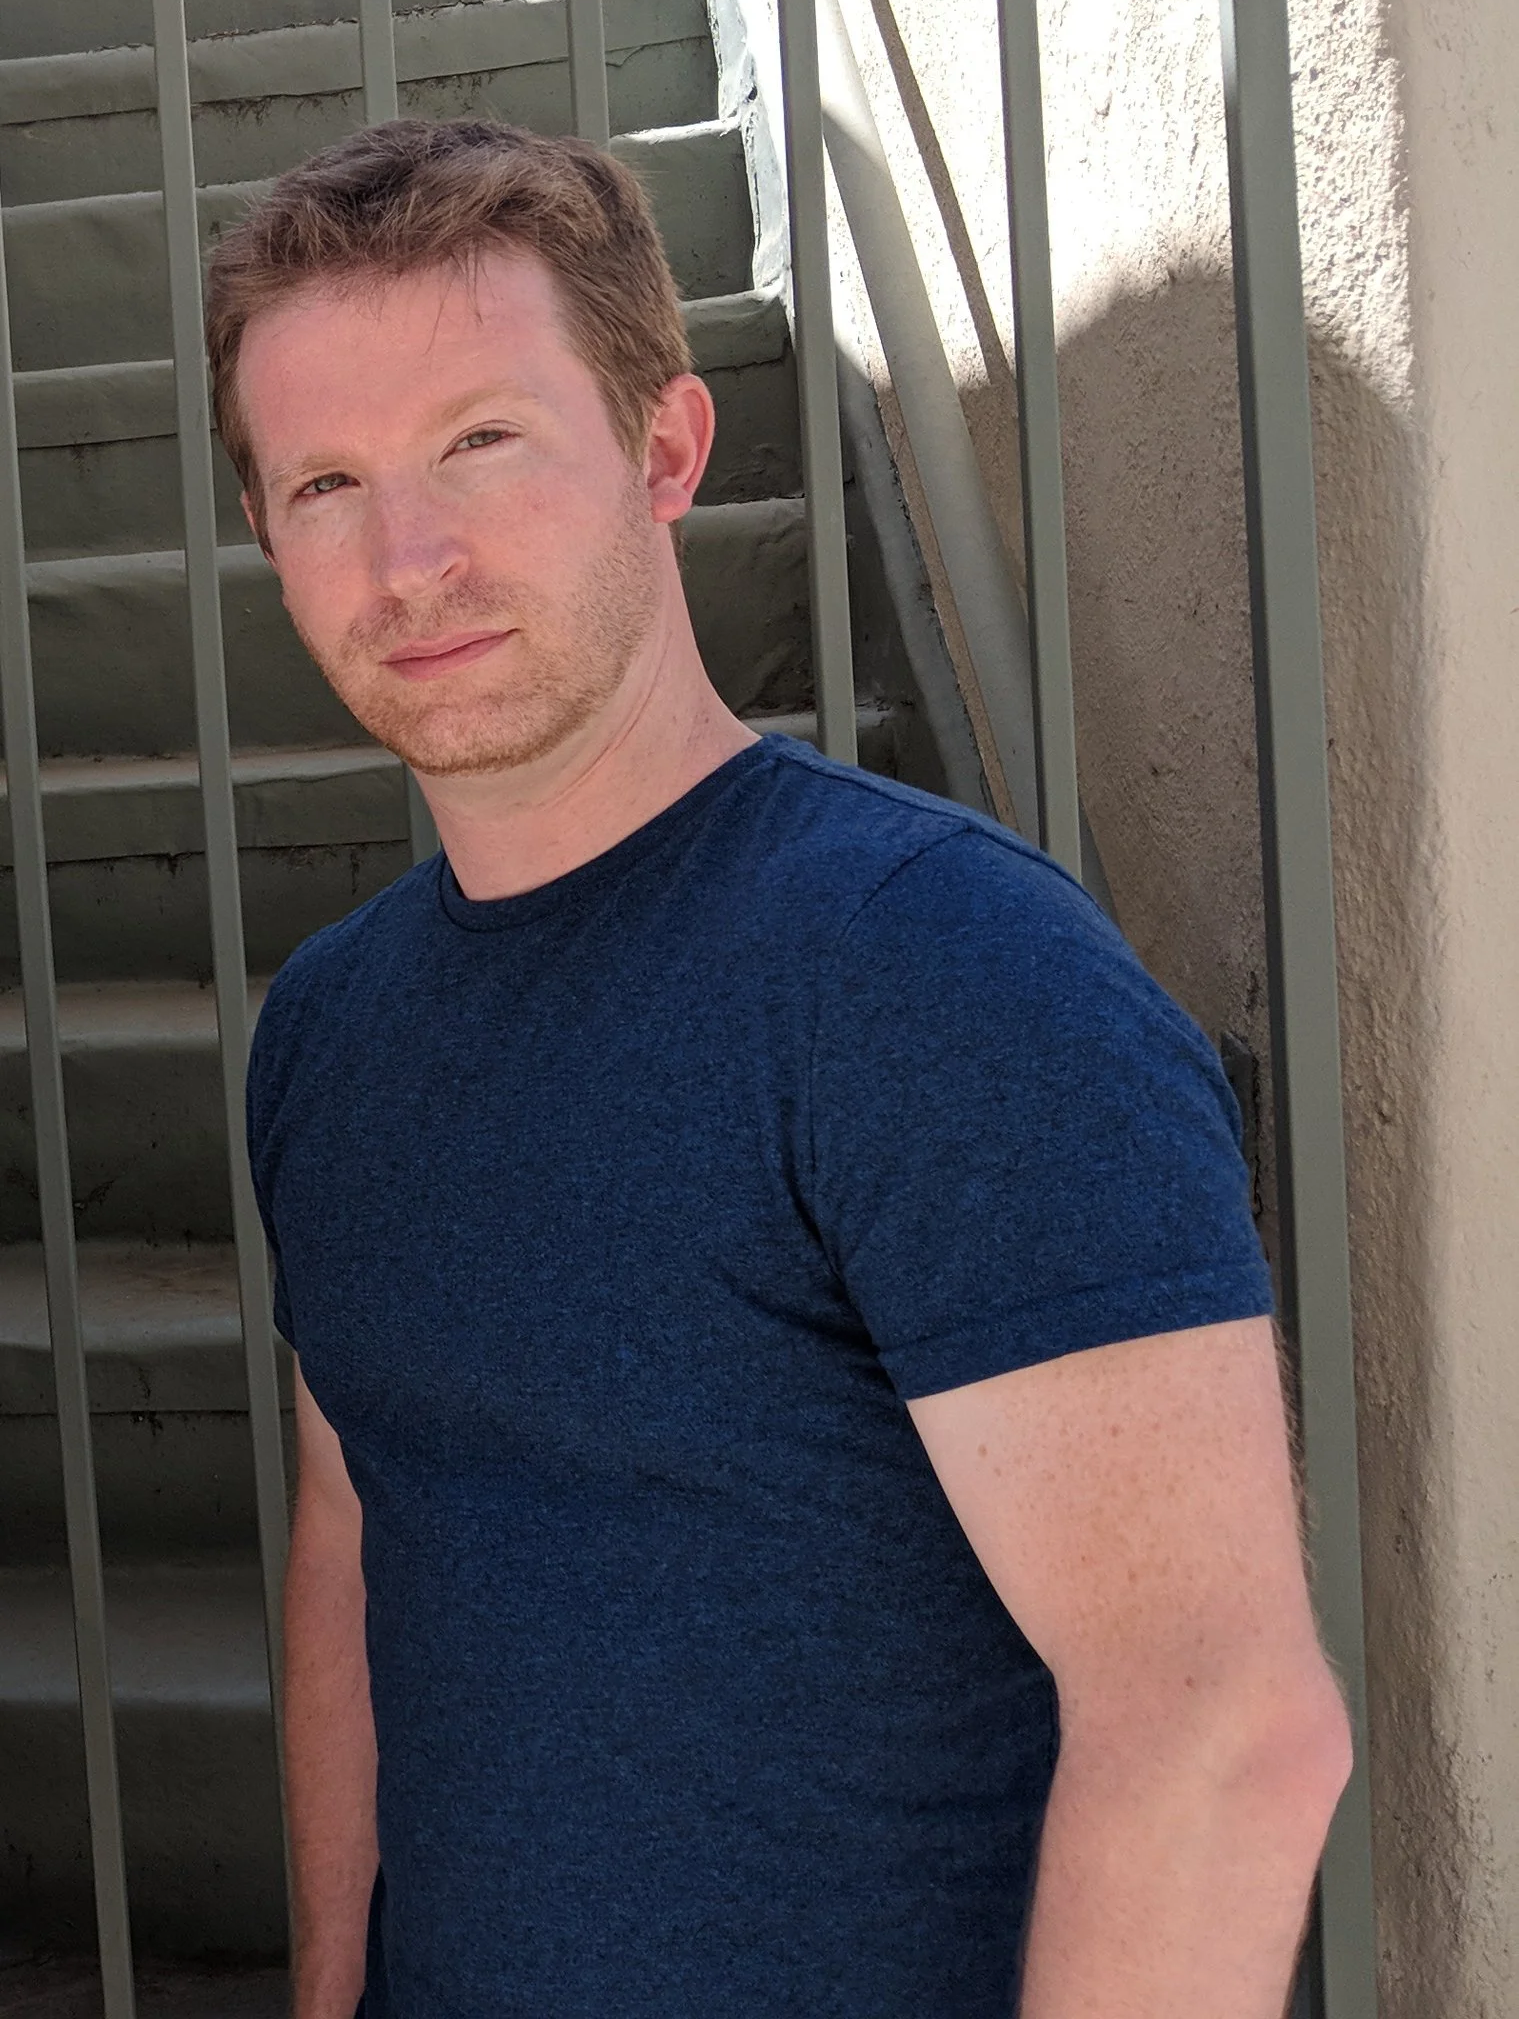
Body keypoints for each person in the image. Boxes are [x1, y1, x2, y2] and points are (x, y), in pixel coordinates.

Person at [214, 117, 1351, 2019]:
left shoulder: (933, 970)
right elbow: (359, 1530)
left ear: (664, 450)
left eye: (481, 441)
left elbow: (1223, 1733)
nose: (409, 557)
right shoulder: (331, 1029)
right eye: (324, 480)